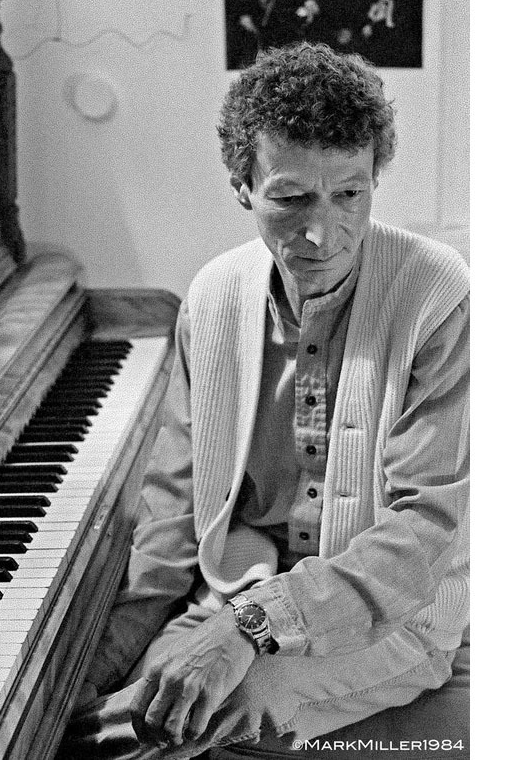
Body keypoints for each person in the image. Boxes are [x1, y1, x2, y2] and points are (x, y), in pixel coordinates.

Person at [58, 41, 469, 759]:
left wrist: (250, 626)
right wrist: (100, 658)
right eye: (291, 198)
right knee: (94, 717)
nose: (323, 233)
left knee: (180, 725)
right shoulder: (213, 296)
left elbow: (424, 533)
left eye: (350, 194)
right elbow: (174, 501)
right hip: (234, 595)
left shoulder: (436, 295)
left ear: (374, 177)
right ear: (242, 187)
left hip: (394, 615)